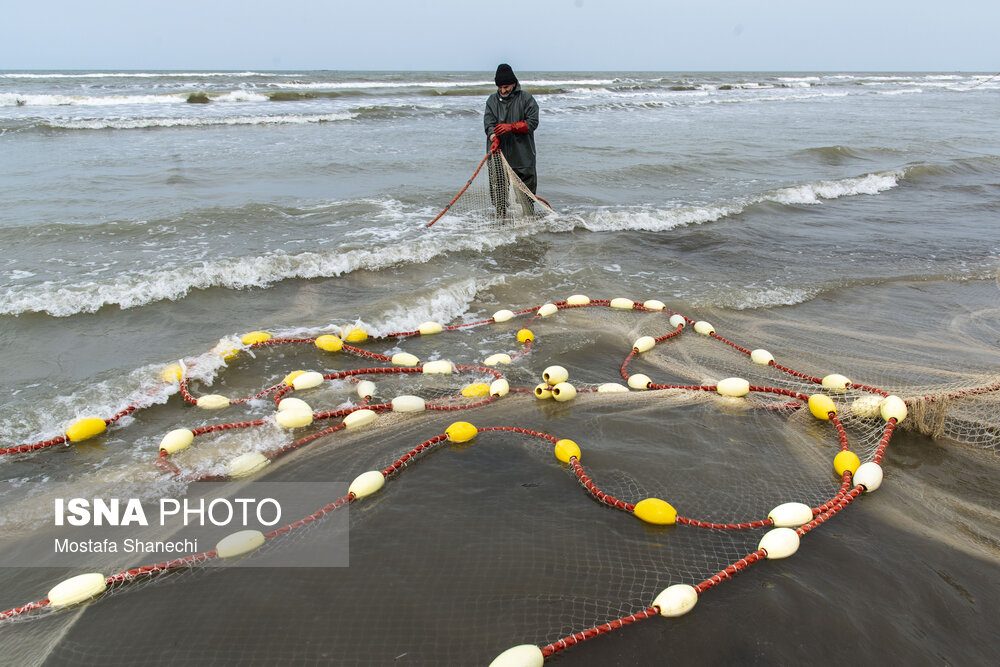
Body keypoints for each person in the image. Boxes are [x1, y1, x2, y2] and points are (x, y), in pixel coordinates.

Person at [484, 63, 539, 217]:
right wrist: (493, 137)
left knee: (527, 197)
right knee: (499, 195)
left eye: (506, 86)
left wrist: (511, 127)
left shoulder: (527, 99)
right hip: (498, 156)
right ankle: (501, 222)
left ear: (514, 83)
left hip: (523, 157)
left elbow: (532, 122)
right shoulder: (491, 101)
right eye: (500, 87)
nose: (503, 90)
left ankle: (530, 225)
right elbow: (488, 124)